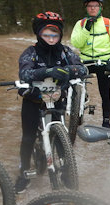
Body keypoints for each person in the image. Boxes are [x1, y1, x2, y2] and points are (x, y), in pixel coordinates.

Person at [15, 12, 88, 193]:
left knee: (61, 139)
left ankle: (66, 171)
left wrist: (66, 70)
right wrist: (48, 71)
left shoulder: (65, 52)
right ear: (39, 34)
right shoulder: (30, 52)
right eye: (46, 34)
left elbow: (82, 68)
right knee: (28, 137)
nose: (51, 38)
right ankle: (24, 172)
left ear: (60, 35)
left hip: (56, 99)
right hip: (33, 99)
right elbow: (24, 73)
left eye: (55, 35)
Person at [70, 0, 110, 128]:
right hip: (86, 60)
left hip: (104, 61)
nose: (93, 8)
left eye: (96, 6)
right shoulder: (80, 24)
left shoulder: (108, 23)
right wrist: (86, 28)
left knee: (105, 92)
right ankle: (77, 107)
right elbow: (76, 43)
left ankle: (106, 121)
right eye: (90, 6)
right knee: (75, 84)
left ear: (101, 8)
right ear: (86, 8)